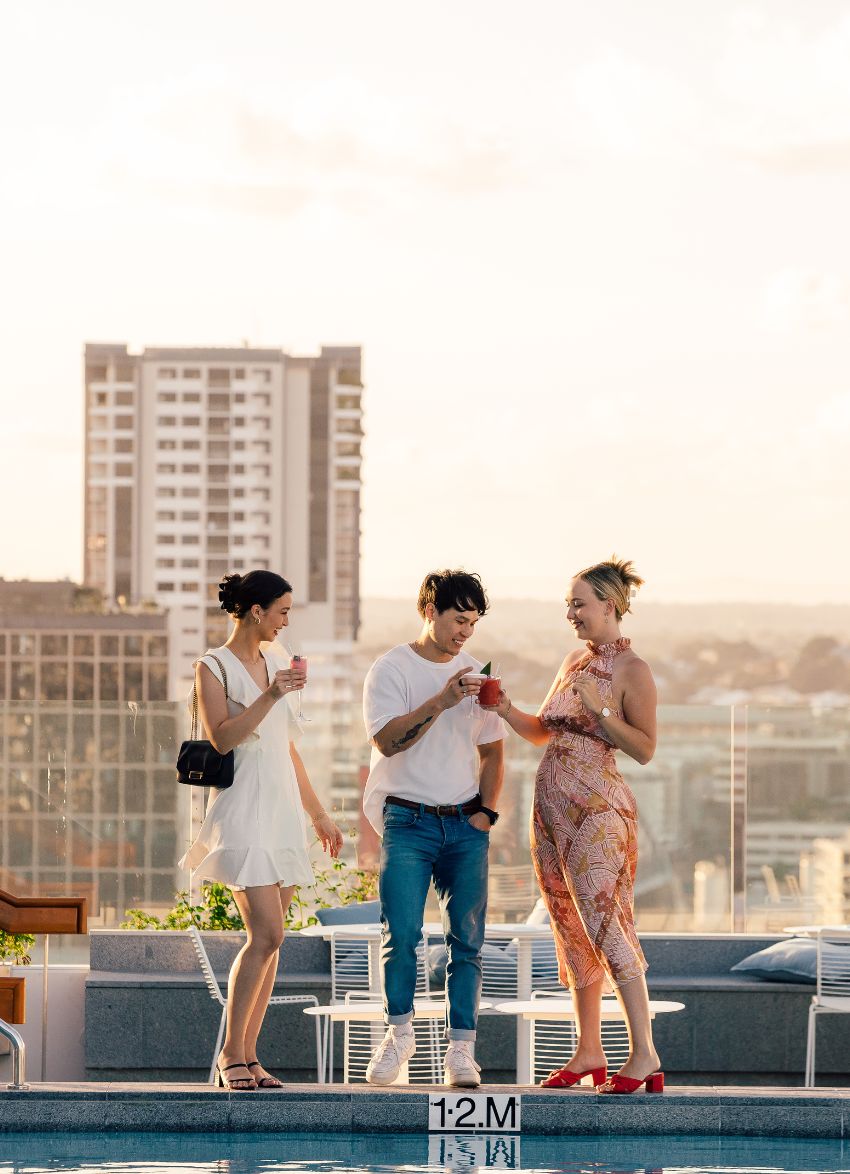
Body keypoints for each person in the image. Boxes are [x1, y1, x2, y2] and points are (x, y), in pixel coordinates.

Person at [481, 558, 662, 1095]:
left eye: (579, 604)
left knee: (607, 926)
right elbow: (543, 732)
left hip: (599, 814)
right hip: (552, 813)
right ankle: (589, 1051)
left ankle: (645, 1054)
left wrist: (603, 711)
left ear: (609, 605)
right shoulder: (571, 660)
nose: (571, 613)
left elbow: (646, 750)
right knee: (571, 930)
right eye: (569, 604)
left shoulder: (634, 671)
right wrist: (507, 708)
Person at [179, 569, 343, 1091]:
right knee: (265, 934)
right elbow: (223, 739)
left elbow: (286, 746)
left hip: (283, 810)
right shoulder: (213, 666)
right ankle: (231, 1052)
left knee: (274, 943)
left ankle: (250, 1056)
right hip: (244, 809)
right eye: (283, 611)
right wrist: (271, 694)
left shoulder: (277, 661)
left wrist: (318, 815)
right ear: (256, 612)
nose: (286, 620)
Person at [362, 569, 505, 1088]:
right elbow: (387, 742)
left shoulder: (477, 672)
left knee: (467, 941)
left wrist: (486, 813)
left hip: (465, 824)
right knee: (401, 935)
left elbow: (492, 752)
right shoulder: (391, 669)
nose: (465, 633)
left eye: (473, 623)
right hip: (407, 820)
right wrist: (442, 700)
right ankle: (399, 1035)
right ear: (429, 611)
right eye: (457, 620)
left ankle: (461, 1050)